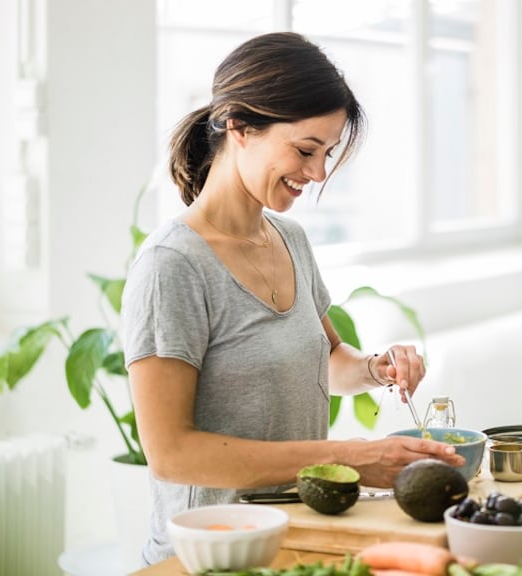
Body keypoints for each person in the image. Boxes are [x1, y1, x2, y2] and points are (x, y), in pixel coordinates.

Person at [121, 32, 464, 566]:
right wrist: (351, 457)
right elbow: (171, 453)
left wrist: (376, 368)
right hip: (211, 555)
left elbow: (328, 361)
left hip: (296, 537)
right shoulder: (172, 265)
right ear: (238, 125)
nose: (319, 173)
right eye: (306, 150)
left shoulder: (291, 240)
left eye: (327, 154)